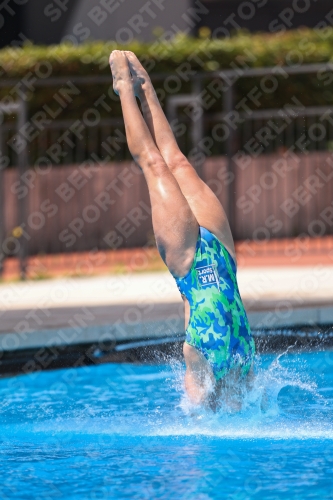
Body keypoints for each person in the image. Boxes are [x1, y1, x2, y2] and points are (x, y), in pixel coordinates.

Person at [109, 50, 255, 408]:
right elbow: (257, 409)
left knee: (155, 164)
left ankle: (124, 89)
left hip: (189, 258)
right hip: (223, 254)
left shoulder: (197, 361)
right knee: (178, 162)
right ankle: (147, 90)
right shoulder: (245, 374)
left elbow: (196, 416)